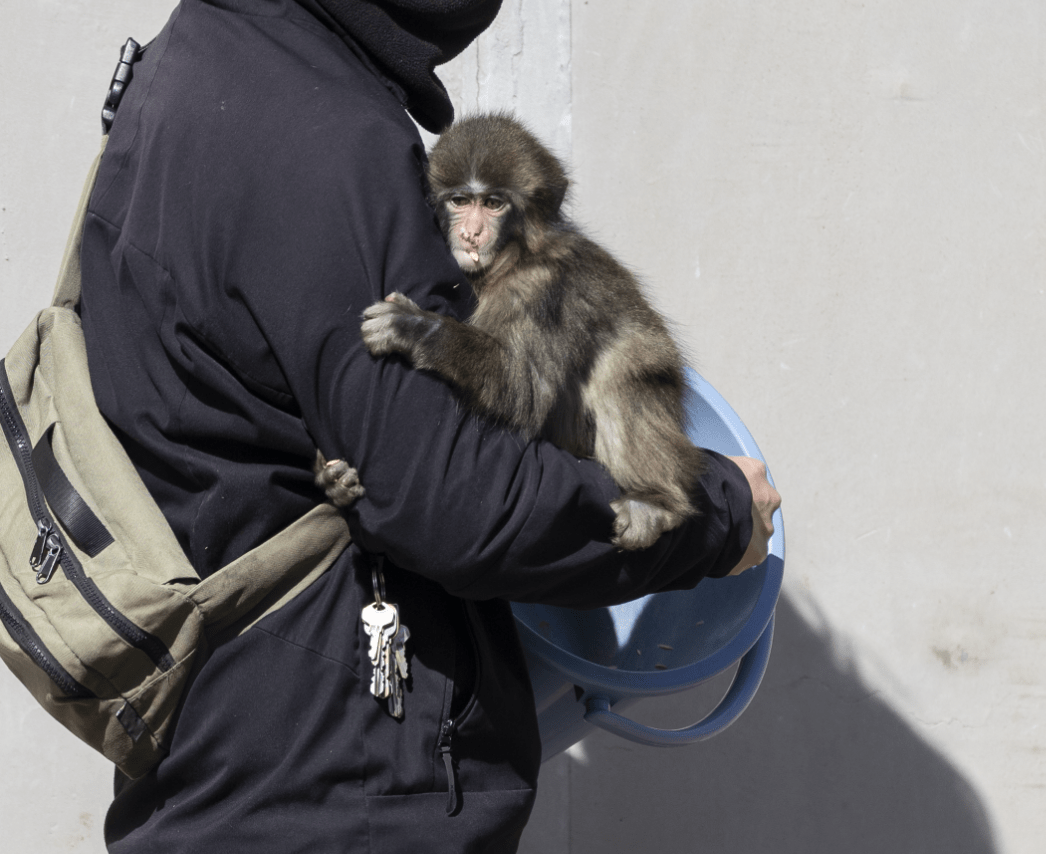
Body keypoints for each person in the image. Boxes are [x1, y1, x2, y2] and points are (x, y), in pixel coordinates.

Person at [77, 0, 780, 850]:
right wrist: (716, 512)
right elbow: (452, 498)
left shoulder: (198, 55)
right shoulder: (329, 136)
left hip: (214, 774)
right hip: (335, 794)